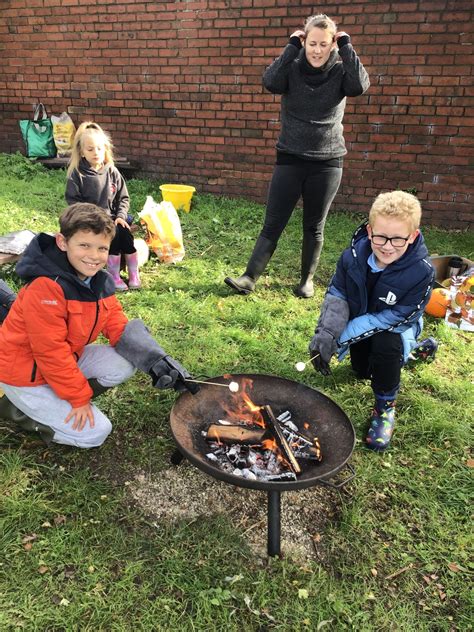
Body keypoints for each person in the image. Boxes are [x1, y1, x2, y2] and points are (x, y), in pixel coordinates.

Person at [0, 203, 195, 448]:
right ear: (62, 242)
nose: (94, 256)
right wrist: (79, 398)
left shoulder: (98, 281)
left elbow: (116, 324)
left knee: (124, 362)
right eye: (84, 245)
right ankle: (19, 410)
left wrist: (156, 360)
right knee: (96, 434)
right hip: (24, 373)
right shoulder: (46, 288)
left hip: (64, 360)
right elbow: (50, 353)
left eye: (102, 248)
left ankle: (61, 399)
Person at [225, 14, 370, 298]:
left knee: (314, 225)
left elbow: (359, 86)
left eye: (324, 44)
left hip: (327, 163)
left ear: (332, 45)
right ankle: (249, 277)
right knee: (273, 221)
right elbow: (270, 81)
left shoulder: (341, 72)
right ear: (304, 41)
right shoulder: (291, 69)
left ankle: (306, 281)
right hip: (290, 157)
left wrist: (347, 47)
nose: (317, 50)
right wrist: (291, 47)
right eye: (311, 43)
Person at [308, 191, 437, 450]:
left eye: (398, 239)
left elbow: (399, 317)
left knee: (387, 345)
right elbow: (338, 294)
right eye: (381, 236)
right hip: (363, 327)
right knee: (362, 371)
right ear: (369, 231)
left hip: (397, 328)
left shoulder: (422, 272)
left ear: (412, 236)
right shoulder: (351, 258)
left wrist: (342, 338)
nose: (387, 246)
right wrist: (327, 334)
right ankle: (416, 353)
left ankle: (385, 409)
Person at [66, 121, 140, 291]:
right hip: (90, 220)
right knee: (111, 237)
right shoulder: (77, 174)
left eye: (99, 148)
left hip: (113, 218)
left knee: (124, 233)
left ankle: (134, 273)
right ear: (82, 152)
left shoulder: (112, 171)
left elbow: (123, 197)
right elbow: (73, 202)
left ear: (105, 149)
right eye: (90, 149)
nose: (95, 153)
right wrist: (92, 218)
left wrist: (121, 216)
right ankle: (113, 275)